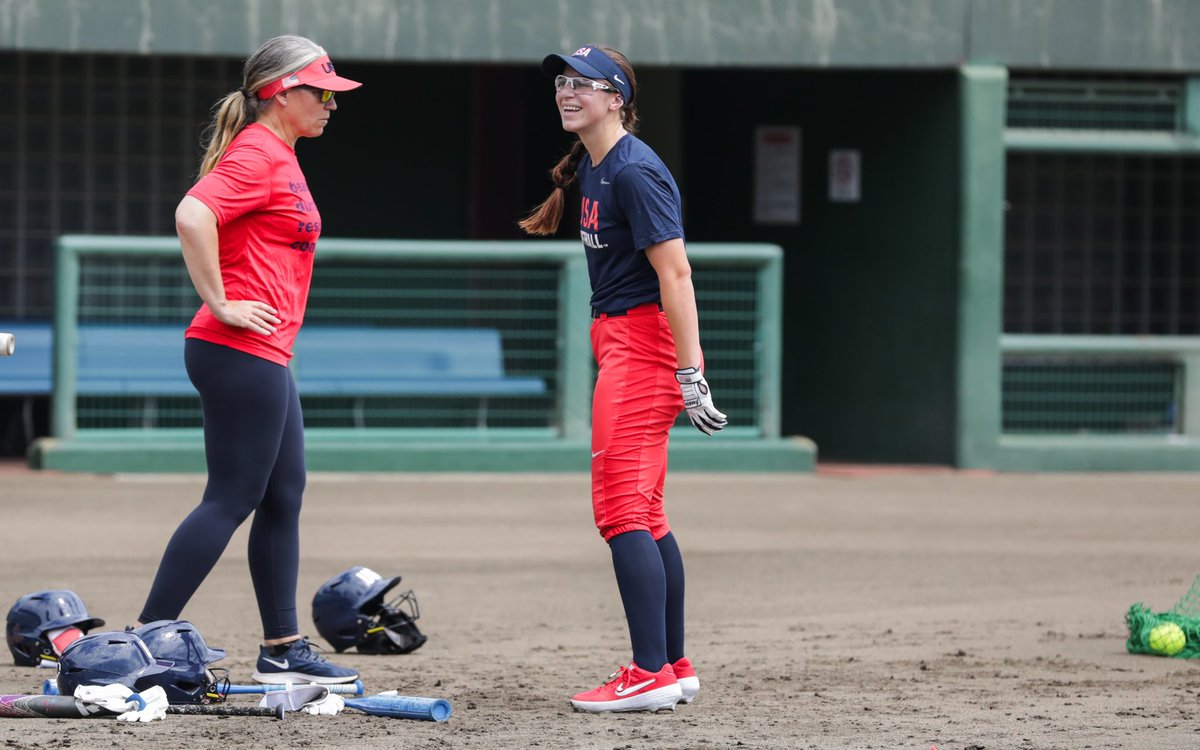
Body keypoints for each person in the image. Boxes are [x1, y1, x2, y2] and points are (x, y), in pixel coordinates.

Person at [133, 35, 362, 685]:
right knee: (231, 497)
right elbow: (192, 214)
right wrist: (222, 301)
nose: (329, 104)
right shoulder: (259, 152)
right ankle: (142, 643)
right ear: (279, 94)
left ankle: (282, 647)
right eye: (320, 92)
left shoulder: (280, 154)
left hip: (262, 353)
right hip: (235, 347)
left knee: (283, 495)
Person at [520, 44, 727, 713]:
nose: (567, 91)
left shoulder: (635, 172)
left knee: (621, 512)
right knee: (647, 511)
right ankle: (672, 664)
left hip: (643, 344)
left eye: (584, 84)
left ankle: (647, 674)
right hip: (622, 340)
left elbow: (677, 274)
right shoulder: (597, 166)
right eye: (562, 81)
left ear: (617, 99)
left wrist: (691, 372)